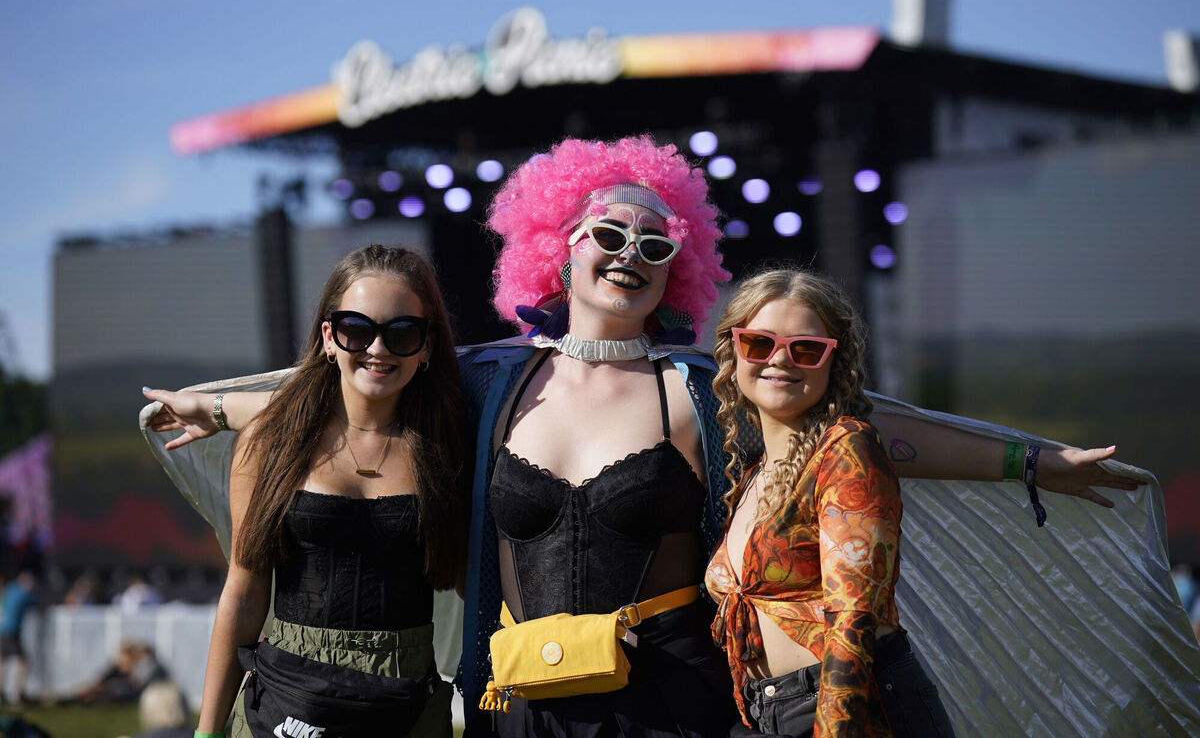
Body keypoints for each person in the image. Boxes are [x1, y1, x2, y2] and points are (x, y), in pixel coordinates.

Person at [143, 137, 1179, 737]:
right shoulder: (496, 377)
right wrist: (218, 404)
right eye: (607, 234)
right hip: (522, 710)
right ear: (561, 246)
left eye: (654, 242)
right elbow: (361, 372)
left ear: (674, 268)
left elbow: (861, 430)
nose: (628, 254)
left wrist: (1032, 459)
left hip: (669, 708)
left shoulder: (704, 385)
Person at [189, 245, 468, 737]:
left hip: (404, 707)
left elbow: (476, 587)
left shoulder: (450, 449)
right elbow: (244, 592)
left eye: (402, 332)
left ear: (427, 347)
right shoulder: (270, 440)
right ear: (328, 337)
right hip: (284, 704)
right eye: (356, 329)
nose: (377, 349)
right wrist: (206, 732)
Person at [706, 268, 954, 736]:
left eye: (806, 349)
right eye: (759, 343)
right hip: (768, 713)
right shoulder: (753, 473)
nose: (780, 360)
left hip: (852, 711)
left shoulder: (847, 448)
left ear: (834, 364)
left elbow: (854, 618)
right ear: (733, 352)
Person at [0, 570, 37, 704]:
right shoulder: (23, 594)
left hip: (3, 629)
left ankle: (3, 692)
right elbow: (37, 603)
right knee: (22, 662)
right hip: (11, 631)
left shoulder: (10, 590)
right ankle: (19, 692)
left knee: (3, 661)